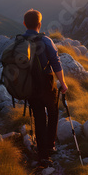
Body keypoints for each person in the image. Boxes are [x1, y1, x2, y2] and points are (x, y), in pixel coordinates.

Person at [22, 9, 68, 165]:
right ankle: (50, 144)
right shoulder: (46, 41)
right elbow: (56, 64)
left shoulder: (20, 42)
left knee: (39, 116)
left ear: (24, 24)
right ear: (39, 24)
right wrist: (63, 83)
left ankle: (42, 155)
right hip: (46, 84)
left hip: (29, 86)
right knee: (53, 111)